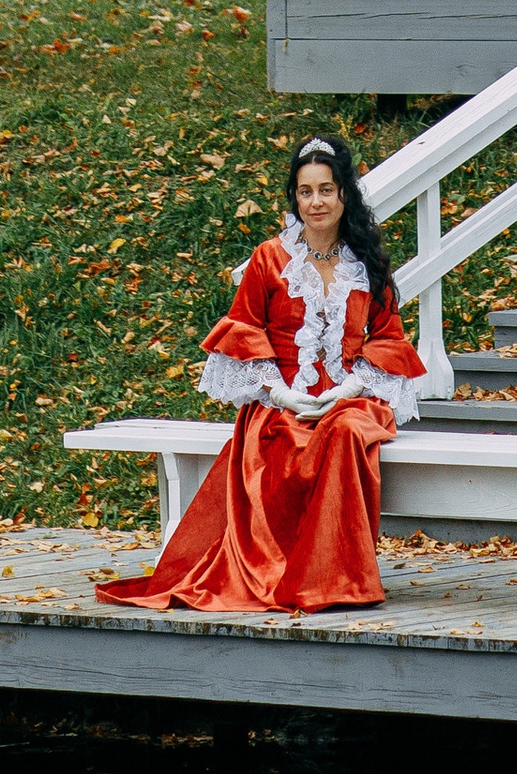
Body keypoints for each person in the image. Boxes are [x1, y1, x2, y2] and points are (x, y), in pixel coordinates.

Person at [94, 130, 425, 615]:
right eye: (306, 191)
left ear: (345, 194)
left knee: (348, 431)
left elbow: (389, 338)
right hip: (281, 399)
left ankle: (334, 579)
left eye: (326, 190)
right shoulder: (271, 259)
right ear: (294, 197)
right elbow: (244, 331)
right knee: (279, 442)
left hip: (353, 399)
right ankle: (285, 571)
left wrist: (350, 387)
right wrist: (282, 393)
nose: (316, 202)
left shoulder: (367, 262)